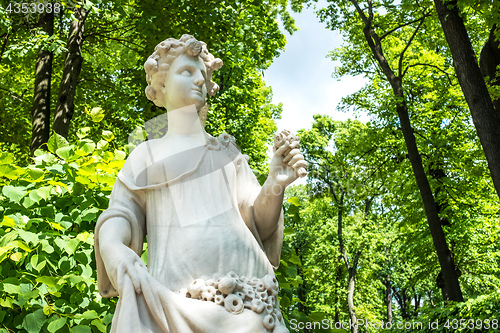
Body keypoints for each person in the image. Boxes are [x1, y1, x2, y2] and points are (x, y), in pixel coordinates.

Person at [94, 34, 306, 333]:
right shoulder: (147, 154)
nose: (199, 81)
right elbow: (121, 214)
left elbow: (260, 224)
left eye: (203, 76)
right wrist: (114, 247)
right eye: (186, 72)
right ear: (162, 84)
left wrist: (275, 183)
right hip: (176, 300)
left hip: (251, 300)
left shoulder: (226, 152)